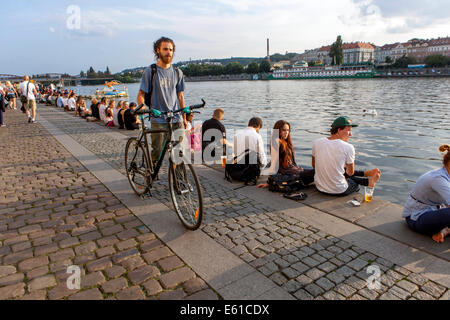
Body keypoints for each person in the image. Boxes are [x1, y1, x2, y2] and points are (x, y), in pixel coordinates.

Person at [137, 36, 186, 164]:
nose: (168, 52)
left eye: (171, 50)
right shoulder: (151, 71)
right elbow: (141, 94)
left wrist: (184, 117)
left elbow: (180, 96)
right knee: (157, 151)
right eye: (165, 49)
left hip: (176, 118)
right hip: (158, 118)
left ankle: (180, 181)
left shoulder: (177, 72)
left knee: (179, 152)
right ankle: (151, 174)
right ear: (158, 50)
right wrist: (143, 107)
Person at [312, 116, 381, 196]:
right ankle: (367, 181)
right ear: (339, 130)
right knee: (352, 181)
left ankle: (366, 174)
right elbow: (350, 173)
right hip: (338, 190)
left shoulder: (317, 142)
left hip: (320, 187)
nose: (350, 134)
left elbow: (314, 165)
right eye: (348, 130)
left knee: (338, 171)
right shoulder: (348, 147)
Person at [402, 144, 450, 243]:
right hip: (416, 218)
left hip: (432, 212)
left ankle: (444, 231)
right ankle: (445, 230)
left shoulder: (446, 175)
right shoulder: (438, 178)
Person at [257, 120, 315, 188]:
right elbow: (274, 162)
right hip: (288, 174)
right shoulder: (276, 142)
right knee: (316, 172)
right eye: (284, 130)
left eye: (288, 130)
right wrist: (270, 182)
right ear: (278, 130)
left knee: (317, 171)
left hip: (295, 170)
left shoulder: (286, 142)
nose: (286, 132)